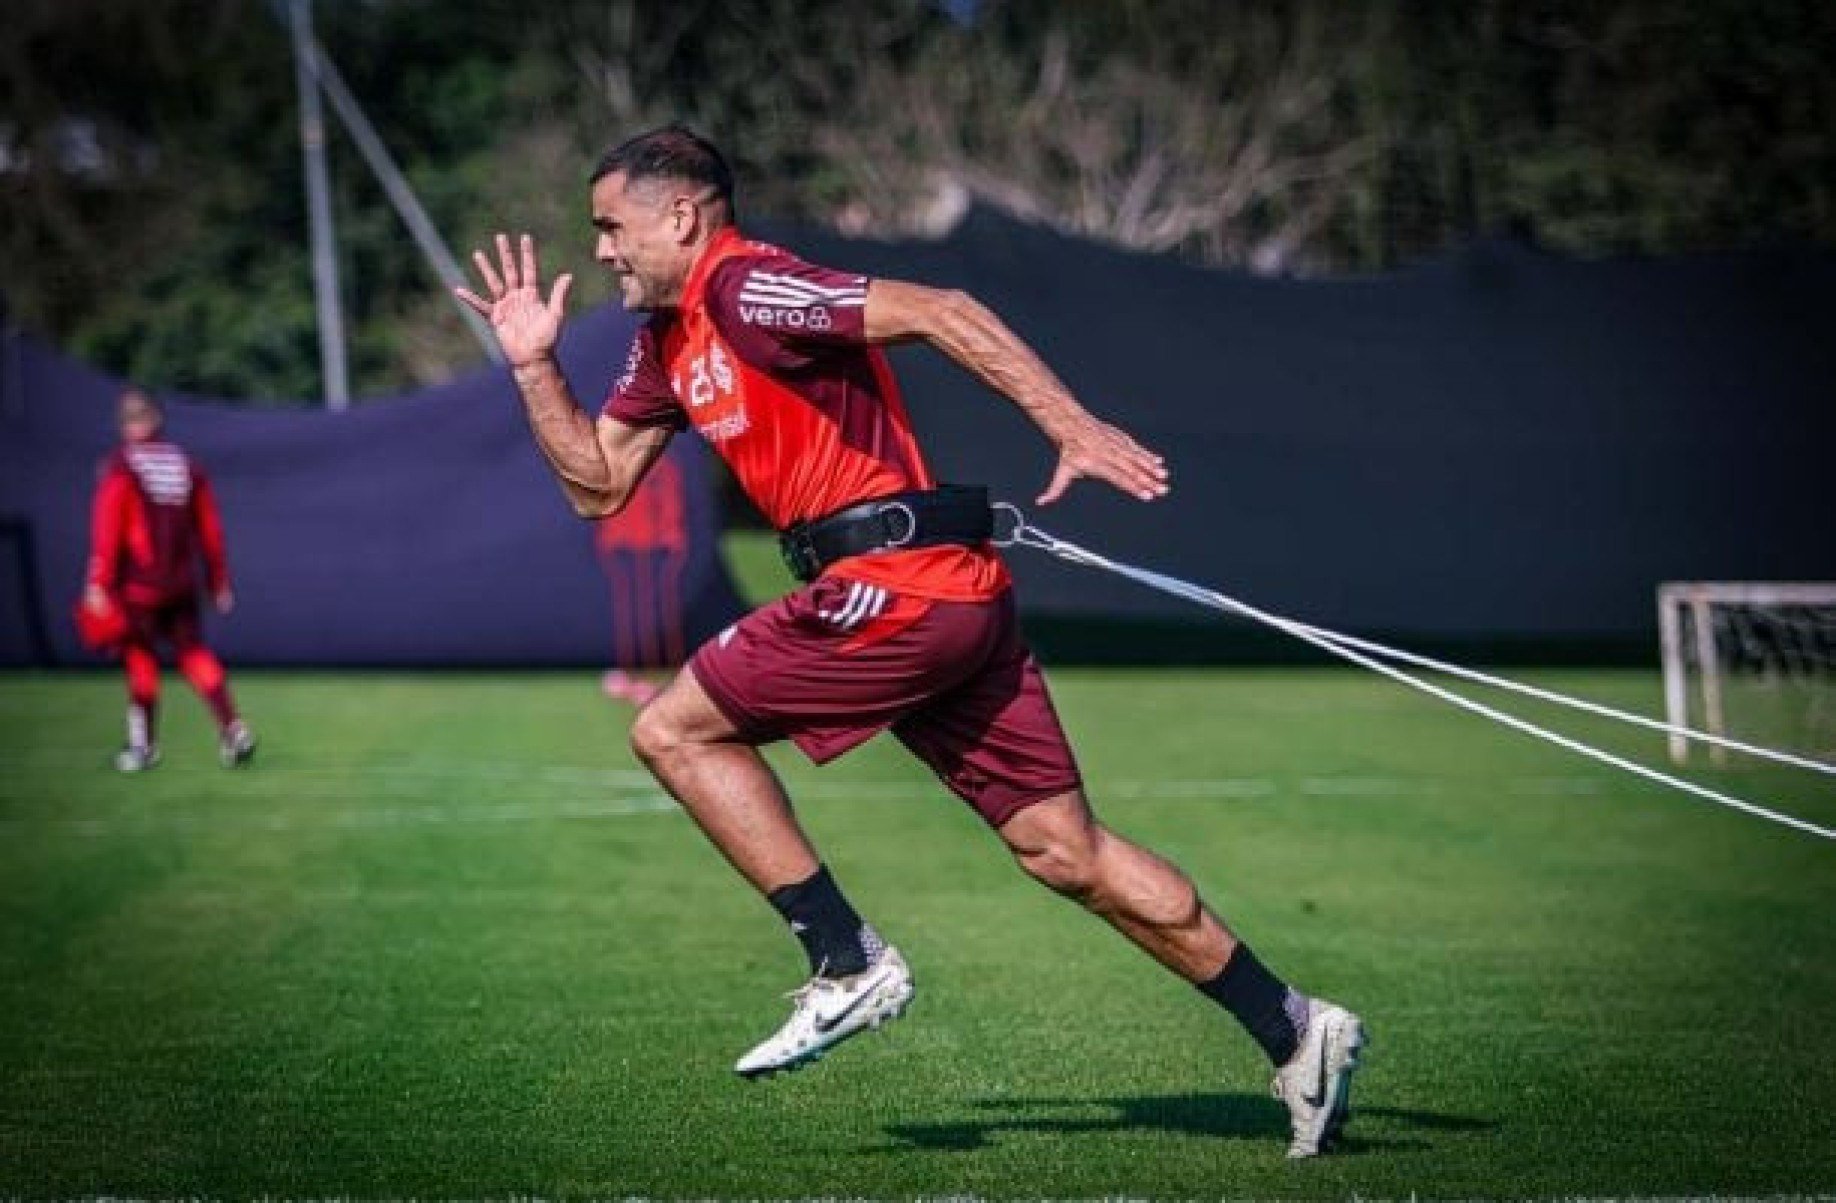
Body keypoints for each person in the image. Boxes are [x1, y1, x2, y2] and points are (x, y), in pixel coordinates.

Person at [456, 125, 1366, 1158]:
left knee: (673, 730)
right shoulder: (668, 340)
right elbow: (597, 483)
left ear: (682, 216)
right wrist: (532, 365)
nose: (602, 250)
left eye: (612, 227)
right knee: (1065, 851)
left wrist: (1069, 424)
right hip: (944, 600)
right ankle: (1296, 1029)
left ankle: (846, 960)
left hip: (897, 591)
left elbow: (944, 310)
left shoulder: (747, 288)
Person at [83, 387, 256, 772]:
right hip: (181, 584)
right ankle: (232, 727)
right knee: (193, 653)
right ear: (157, 419)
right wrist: (218, 581)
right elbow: (210, 529)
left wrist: (98, 582)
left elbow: (107, 529)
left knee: (140, 657)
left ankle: (142, 747)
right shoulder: (186, 465)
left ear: (126, 425)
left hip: (138, 587)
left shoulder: (122, 466)